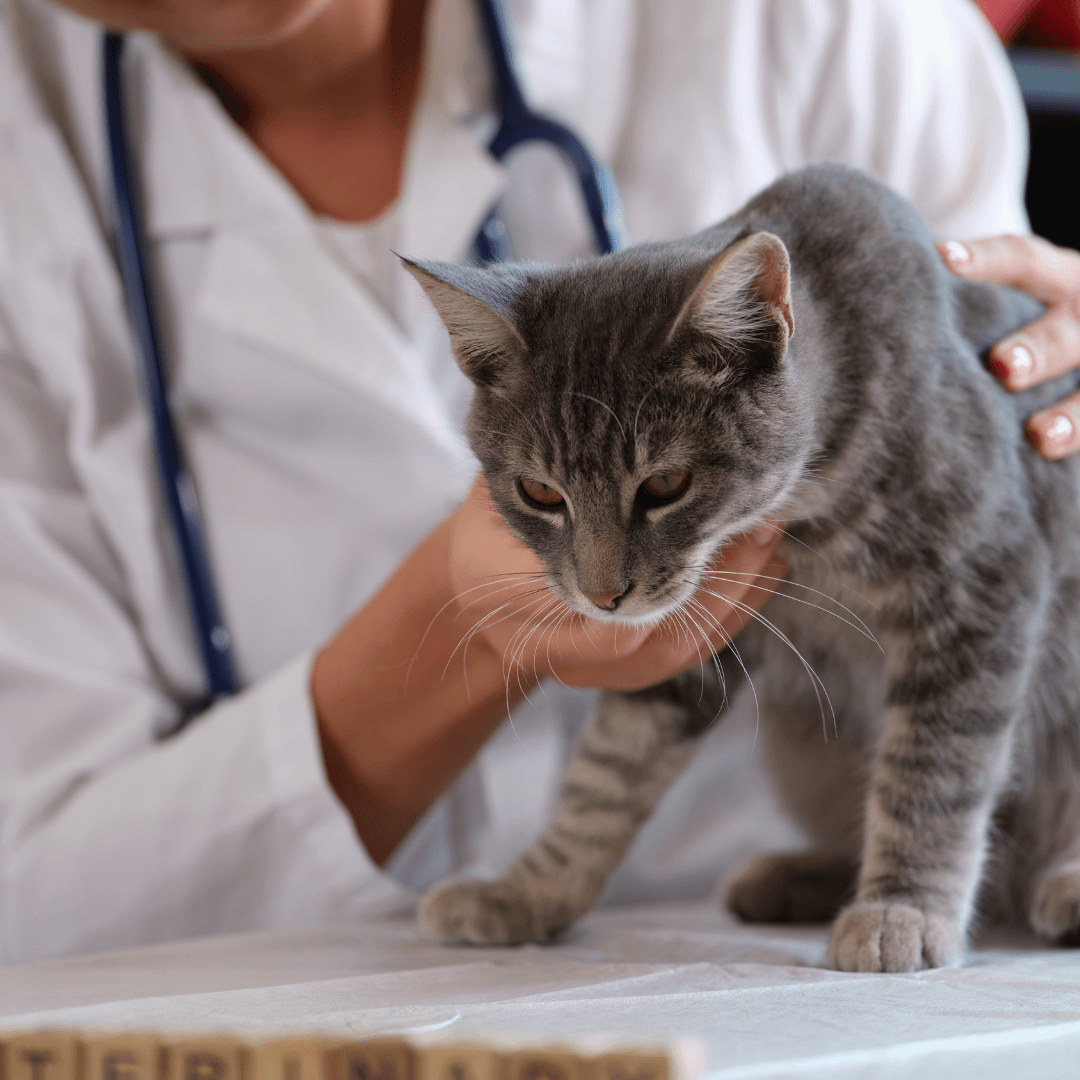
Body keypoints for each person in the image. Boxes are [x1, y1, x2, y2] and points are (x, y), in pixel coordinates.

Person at [0, 0, 1074, 964]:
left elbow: (989, 593)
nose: (601, 579)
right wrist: (458, 614)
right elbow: (36, 898)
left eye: (655, 497)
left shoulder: (837, 25)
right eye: (548, 505)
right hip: (321, 989)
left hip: (807, 977)